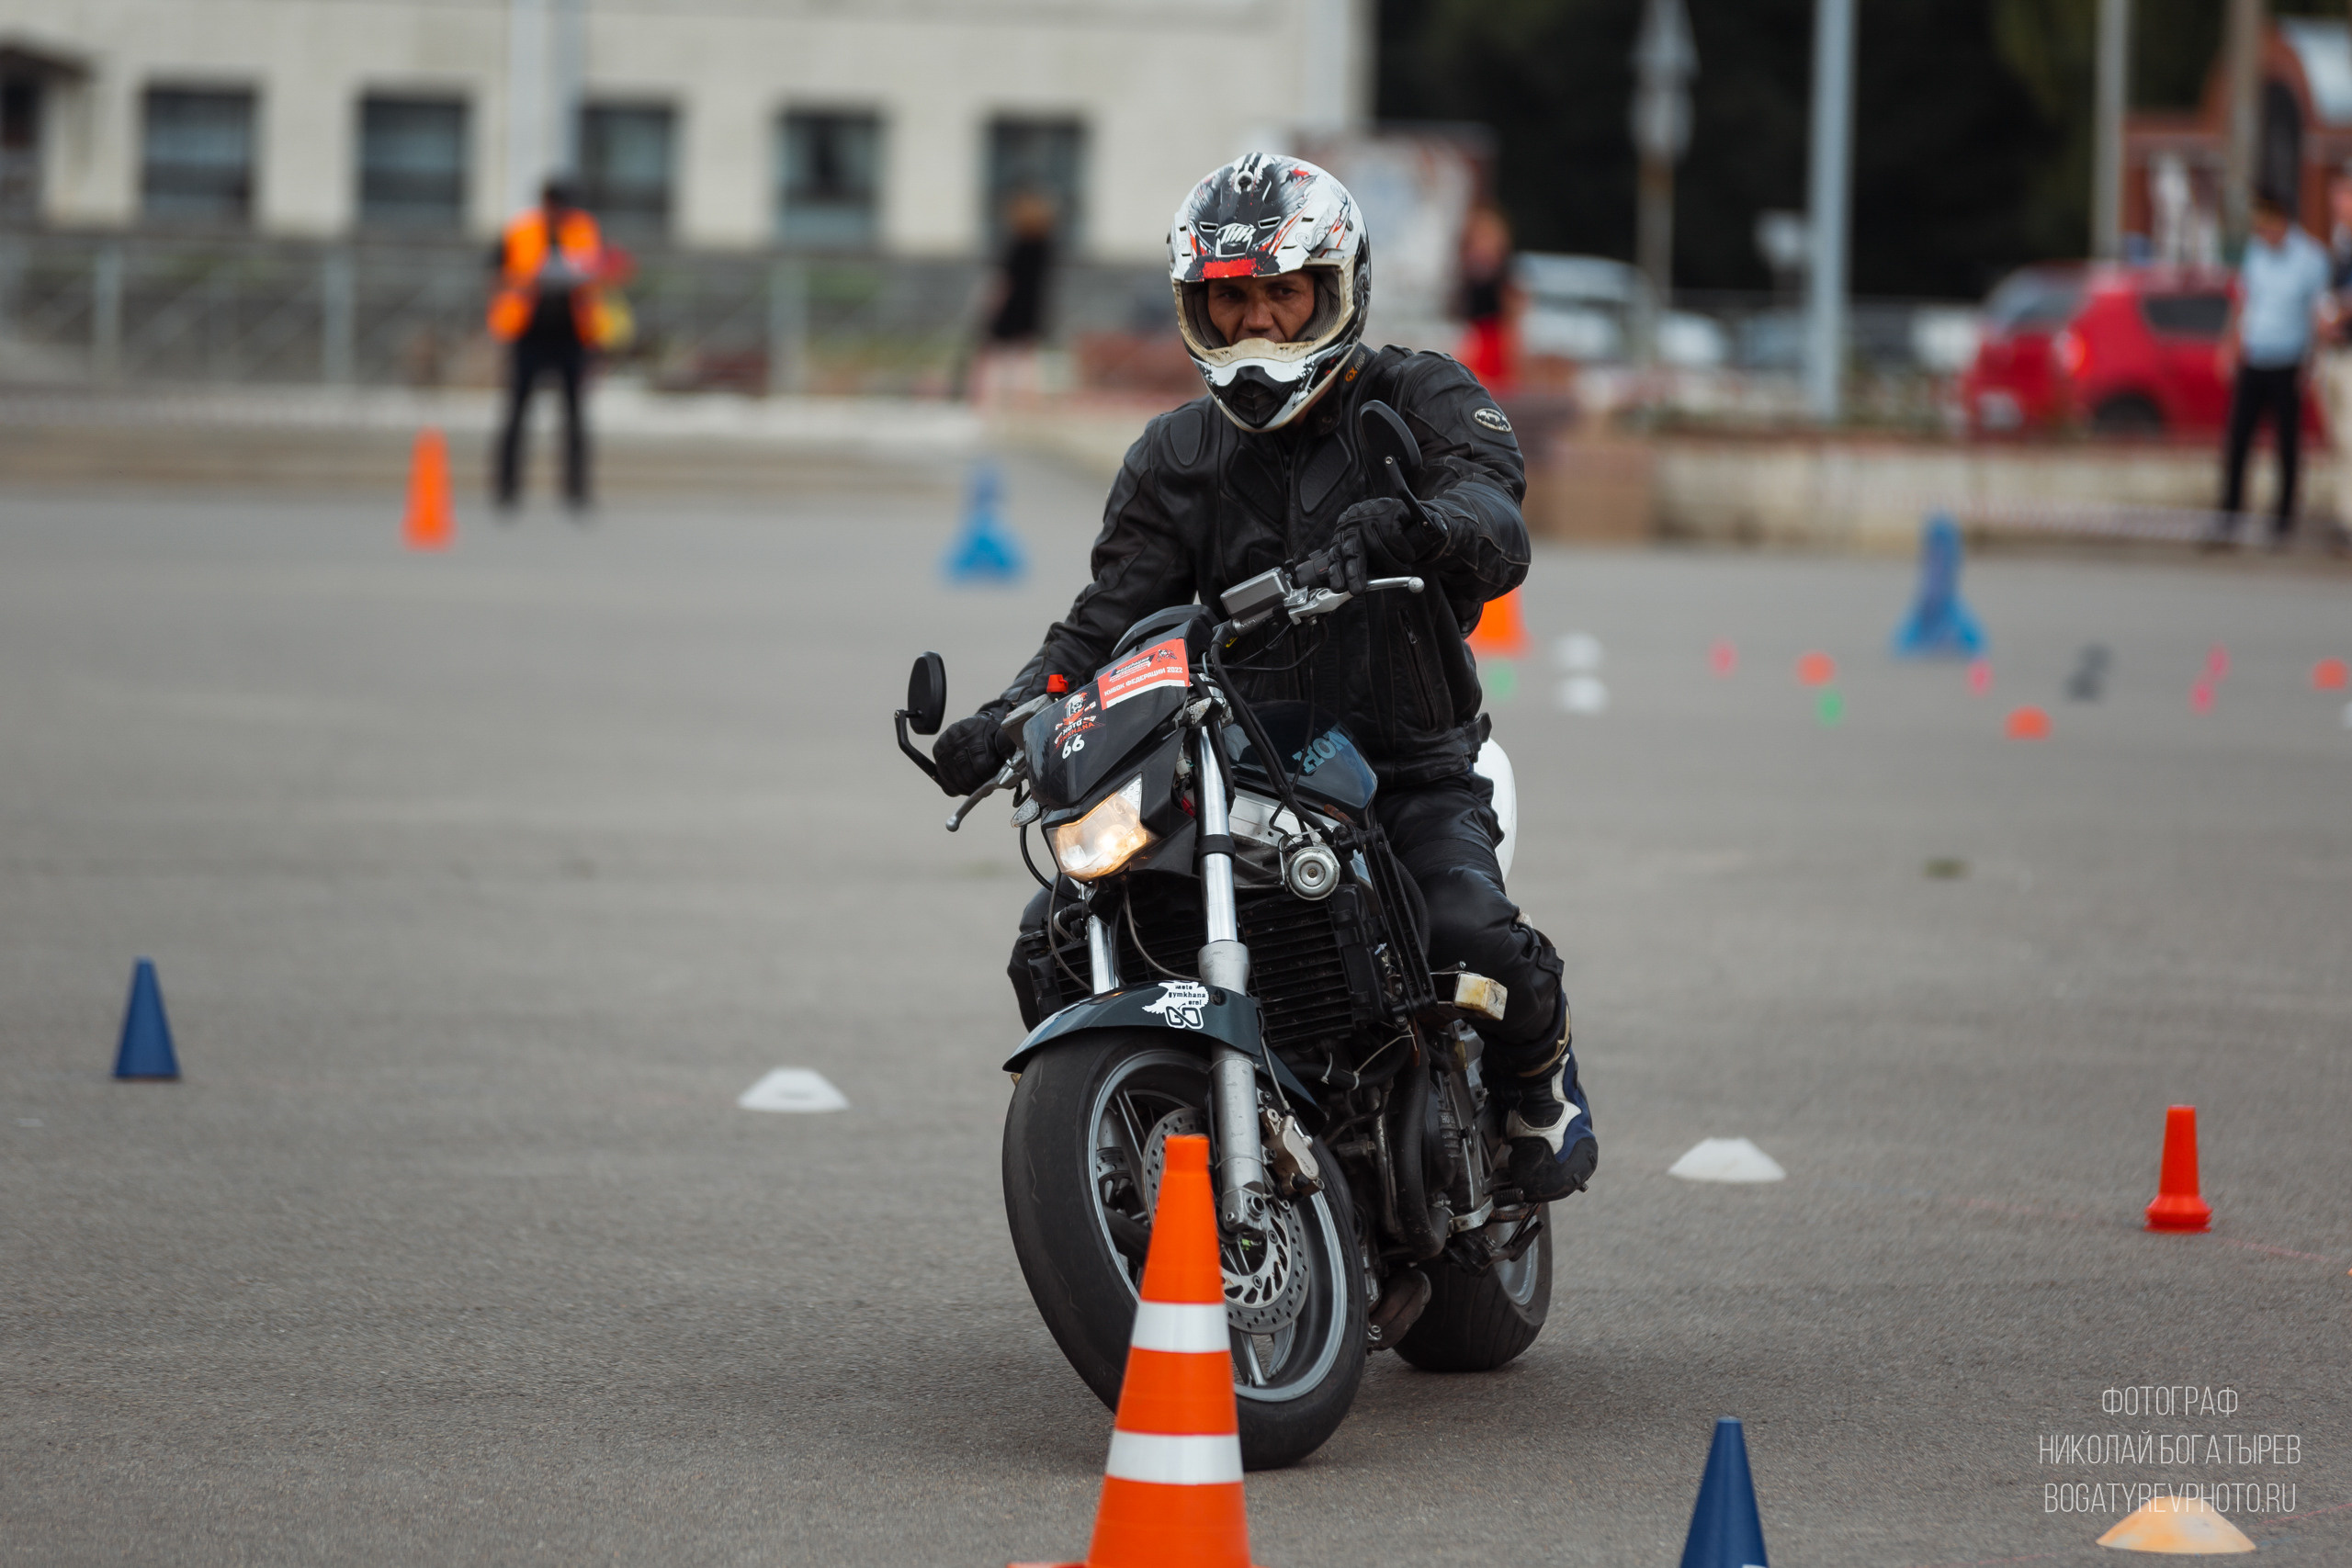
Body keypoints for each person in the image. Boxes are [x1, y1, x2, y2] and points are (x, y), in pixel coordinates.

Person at [930, 154, 1595, 1202]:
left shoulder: (1419, 396)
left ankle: (1540, 1079)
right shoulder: (1174, 453)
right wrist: (1009, 713)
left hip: (1404, 760)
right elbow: (1104, 624)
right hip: (1226, 758)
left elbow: (1496, 520)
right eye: (1230, 300)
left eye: (1281, 295)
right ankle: (1149, 1127)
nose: (1258, 327)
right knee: (1054, 938)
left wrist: (1421, 524)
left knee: (1463, 928)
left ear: (1335, 290)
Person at [2213, 189, 2331, 547]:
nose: (2264, 234)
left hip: (2289, 359)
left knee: (2287, 445)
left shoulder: (2310, 258)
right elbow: (2244, 301)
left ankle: (2283, 521)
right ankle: (2229, 516)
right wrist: (2230, 344)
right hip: (2256, 356)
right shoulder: (2255, 254)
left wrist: (2312, 363)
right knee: (2238, 439)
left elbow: (2318, 315)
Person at [488, 178, 608, 513]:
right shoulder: (521, 231)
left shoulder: (585, 230)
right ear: (547, 204)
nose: (566, 212)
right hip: (529, 333)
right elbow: (497, 273)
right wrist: (529, 279)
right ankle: (506, 490)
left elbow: (601, 270)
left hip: (573, 335)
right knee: (516, 412)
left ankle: (576, 492)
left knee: (575, 417)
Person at [971, 189, 1057, 405]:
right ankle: (1027, 400)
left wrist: (991, 303)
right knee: (1025, 354)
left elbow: (1006, 280)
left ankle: (986, 399)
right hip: (1033, 305)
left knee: (993, 354)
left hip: (1012, 306)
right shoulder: (1046, 244)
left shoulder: (1018, 244)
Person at [2317, 171, 2352, 548]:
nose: (2339, 206)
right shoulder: (2338, 246)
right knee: (2339, 442)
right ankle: (2343, 515)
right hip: (2335, 353)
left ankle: (2349, 520)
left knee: (2351, 438)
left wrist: (2341, 311)